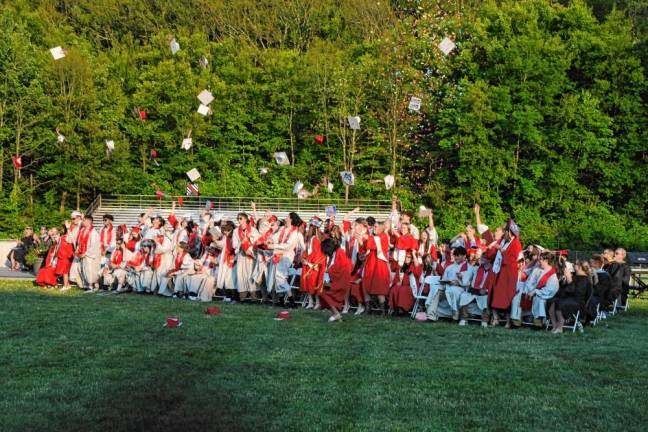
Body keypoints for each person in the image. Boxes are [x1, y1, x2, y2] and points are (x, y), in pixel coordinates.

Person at [490, 219, 523, 326]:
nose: (504, 233)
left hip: (509, 274)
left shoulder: (516, 243)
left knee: (507, 297)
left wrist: (501, 250)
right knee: (494, 295)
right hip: (499, 272)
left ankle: (508, 322)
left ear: (510, 232)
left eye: (505, 231)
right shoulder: (504, 241)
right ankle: (496, 319)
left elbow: (512, 260)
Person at [266, 212, 302, 304]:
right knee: (276, 277)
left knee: (281, 277)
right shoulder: (282, 228)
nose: (285, 218)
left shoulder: (295, 233)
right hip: (277, 253)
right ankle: (281, 300)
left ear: (291, 219)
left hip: (286, 256)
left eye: (287, 217)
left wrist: (274, 246)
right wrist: (270, 240)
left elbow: (288, 246)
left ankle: (291, 301)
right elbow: (275, 237)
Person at [548, 260, 592, 334]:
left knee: (559, 302)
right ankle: (555, 325)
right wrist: (565, 281)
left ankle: (560, 325)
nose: (573, 266)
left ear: (580, 267)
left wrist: (569, 279)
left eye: (575, 264)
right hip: (569, 299)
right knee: (551, 301)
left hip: (578, 302)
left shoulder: (584, 279)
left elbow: (576, 293)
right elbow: (565, 290)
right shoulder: (575, 276)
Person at [360, 220, 391, 314]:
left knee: (379, 287)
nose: (374, 228)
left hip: (379, 265)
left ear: (381, 228)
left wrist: (364, 235)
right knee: (366, 284)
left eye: (376, 227)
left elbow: (375, 242)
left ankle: (383, 311)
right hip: (370, 264)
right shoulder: (375, 237)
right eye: (374, 226)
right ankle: (367, 308)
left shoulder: (384, 236)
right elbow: (367, 246)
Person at [459, 251, 496, 327]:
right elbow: (468, 278)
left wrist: (486, 291)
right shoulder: (476, 268)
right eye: (481, 257)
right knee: (464, 295)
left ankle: (484, 320)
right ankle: (464, 319)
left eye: (484, 257)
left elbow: (494, 285)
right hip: (474, 291)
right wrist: (461, 277)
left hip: (486, 293)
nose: (481, 258)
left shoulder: (494, 271)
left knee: (485, 298)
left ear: (489, 260)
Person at [522, 251, 559, 327]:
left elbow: (550, 290)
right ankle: (516, 319)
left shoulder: (552, 274)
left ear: (546, 261)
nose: (539, 262)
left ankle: (538, 320)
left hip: (545, 295)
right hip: (532, 291)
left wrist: (535, 291)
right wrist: (528, 290)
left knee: (539, 298)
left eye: (540, 260)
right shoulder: (537, 269)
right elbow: (530, 281)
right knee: (519, 294)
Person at [320, 238, 352, 322]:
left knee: (323, 293)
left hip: (341, 280)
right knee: (323, 292)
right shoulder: (333, 254)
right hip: (336, 280)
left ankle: (336, 314)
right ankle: (337, 315)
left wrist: (328, 271)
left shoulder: (339, 252)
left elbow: (340, 266)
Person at [233, 212, 259, 301]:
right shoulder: (236, 231)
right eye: (238, 219)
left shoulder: (253, 229)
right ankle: (242, 297)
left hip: (250, 255)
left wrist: (249, 241)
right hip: (241, 255)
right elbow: (234, 244)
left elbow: (257, 241)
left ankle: (253, 297)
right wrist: (242, 242)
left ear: (245, 219)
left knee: (250, 274)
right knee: (241, 275)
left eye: (241, 218)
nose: (239, 220)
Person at [301, 217, 326, 309]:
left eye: (310, 226)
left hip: (314, 264)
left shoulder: (317, 239)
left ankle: (317, 302)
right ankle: (311, 302)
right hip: (308, 263)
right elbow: (307, 251)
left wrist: (313, 264)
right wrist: (304, 259)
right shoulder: (310, 238)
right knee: (308, 283)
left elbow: (318, 253)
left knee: (314, 283)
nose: (309, 228)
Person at [74, 215, 101, 292]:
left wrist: (86, 253)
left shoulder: (93, 232)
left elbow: (94, 245)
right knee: (84, 269)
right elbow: (79, 242)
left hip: (90, 255)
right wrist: (78, 249)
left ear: (89, 221)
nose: (82, 222)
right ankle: (87, 285)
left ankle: (92, 286)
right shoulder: (82, 230)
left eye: (84, 220)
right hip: (83, 253)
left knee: (91, 270)